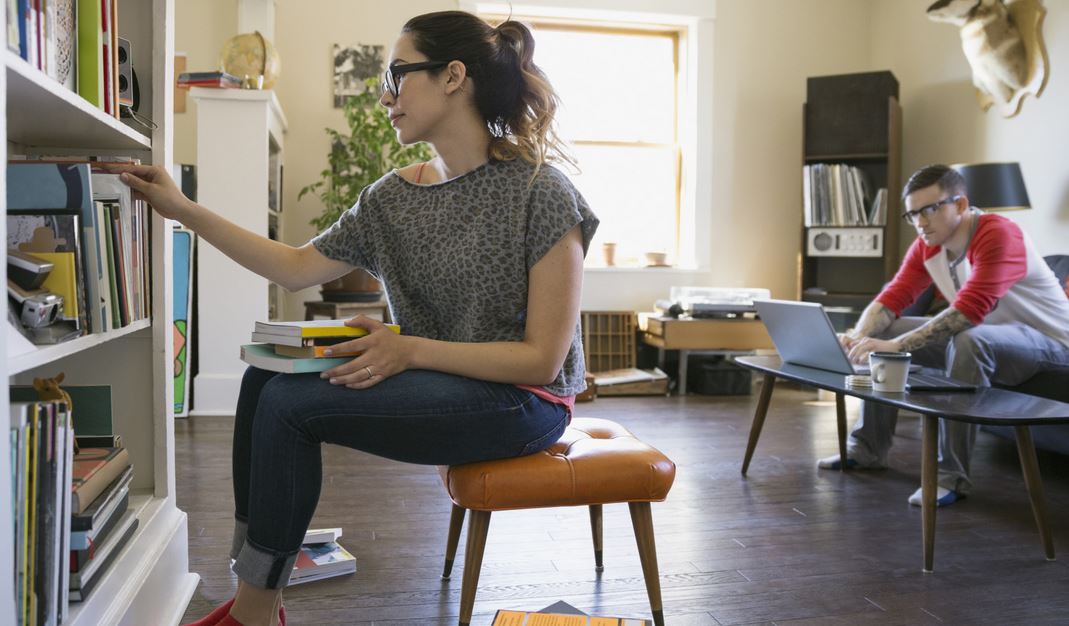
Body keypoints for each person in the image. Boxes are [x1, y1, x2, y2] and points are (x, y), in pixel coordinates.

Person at [117, 11, 598, 626]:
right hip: (446, 380)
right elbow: (293, 267)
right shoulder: (391, 198)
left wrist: (410, 349)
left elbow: (541, 361)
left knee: (294, 408)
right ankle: (257, 592)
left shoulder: (542, 192)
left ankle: (256, 612)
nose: (387, 96)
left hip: (524, 403)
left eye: (398, 74)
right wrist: (182, 206)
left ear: (454, 76)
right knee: (263, 380)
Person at [819, 164, 1069, 507]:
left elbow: (969, 312)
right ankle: (867, 449)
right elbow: (894, 297)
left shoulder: (999, 234)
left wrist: (895, 346)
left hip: (1051, 343)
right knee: (887, 328)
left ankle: (951, 476)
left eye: (929, 210)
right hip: (994, 337)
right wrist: (859, 336)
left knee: (968, 340)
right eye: (913, 214)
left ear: (961, 205)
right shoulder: (929, 243)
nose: (920, 222)